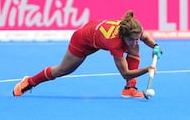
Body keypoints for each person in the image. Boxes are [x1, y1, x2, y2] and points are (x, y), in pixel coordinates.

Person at [13, 11, 162, 98]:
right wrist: (147, 69)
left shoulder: (132, 30)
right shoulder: (115, 43)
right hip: (83, 40)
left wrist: (155, 46)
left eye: (137, 37)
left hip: (95, 30)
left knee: (134, 48)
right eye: (131, 38)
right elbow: (125, 73)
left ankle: (130, 89)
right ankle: (30, 81)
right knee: (63, 70)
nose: (136, 41)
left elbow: (145, 37)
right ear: (123, 35)